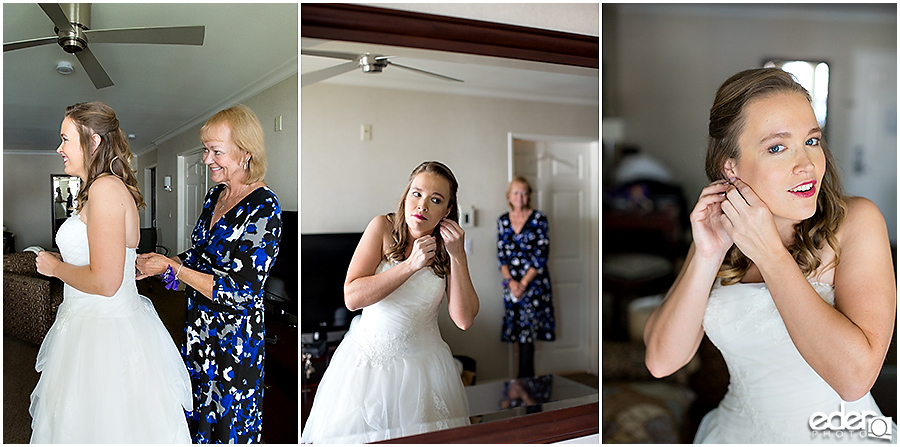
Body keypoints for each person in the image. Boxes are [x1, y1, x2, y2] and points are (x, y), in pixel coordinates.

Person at [643, 68, 896, 443]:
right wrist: (707, 255)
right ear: (731, 166)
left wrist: (771, 254)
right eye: (777, 147)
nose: (807, 165)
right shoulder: (717, 233)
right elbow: (663, 361)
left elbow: (854, 380)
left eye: (812, 141)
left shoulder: (857, 222)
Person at [31, 101, 192, 443]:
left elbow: (106, 282)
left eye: (65, 139)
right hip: (109, 320)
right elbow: (127, 246)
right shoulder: (114, 189)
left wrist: (55, 266)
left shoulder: (104, 190)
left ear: (92, 143)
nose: (59, 148)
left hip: (100, 331)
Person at [300, 161, 479, 443]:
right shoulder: (382, 227)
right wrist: (410, 265)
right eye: (417, 194)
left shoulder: (448, 249)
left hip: (426, 373)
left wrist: (459, 256)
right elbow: (352, 297)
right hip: (367, 369)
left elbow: (464, 319)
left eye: (435, 200)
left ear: (446, 211)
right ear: (406, 195)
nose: (422, 206)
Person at [136, 105, 281, 443]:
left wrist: (174, 268)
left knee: (227, 425)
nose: (206, 159)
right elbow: (201, 256)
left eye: (216, 151)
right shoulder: (216, 194)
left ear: (245, 153)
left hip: (234, 340)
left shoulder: (265, 208)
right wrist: (160, 262)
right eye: (205, 149)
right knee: (197, 411)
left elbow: (242, 292)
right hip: (198, 325)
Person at [497, 176, 555, 378]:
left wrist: (523, 283)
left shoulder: (539, 218)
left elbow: (541, 255)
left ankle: (527, 386)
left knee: (528, 337)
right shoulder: (503, 220)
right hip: (511, 285)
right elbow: (501, 257)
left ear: (529, 196)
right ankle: (520, 387)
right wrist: (511, 283)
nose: (520, 197)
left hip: (534, 284)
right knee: (517, 334)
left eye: (524, 193)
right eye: (515, 192)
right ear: (509, 196)